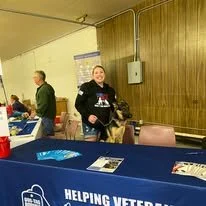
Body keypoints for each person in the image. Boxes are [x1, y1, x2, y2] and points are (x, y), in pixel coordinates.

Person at [75, 65, 116, 142]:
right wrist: (88, 116)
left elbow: (114, 107)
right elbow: (78, 104)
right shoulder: (86, 87)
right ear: (92, 76)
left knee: (104, 149)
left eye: (101, 72)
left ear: (105, 74)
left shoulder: (110, 90)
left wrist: (120, 119)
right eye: (96, 73)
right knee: (91, 149)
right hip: (90, 125)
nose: (99, 74)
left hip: (105, 126)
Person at [32, 70, 56, 136]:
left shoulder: (44, 89)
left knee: (48, 138)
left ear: (39, 78)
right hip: (48, 116)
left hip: (46, 117)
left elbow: (43, 105)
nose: (33, 79)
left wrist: (35, 112)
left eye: (34, 77)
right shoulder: (46, 87)